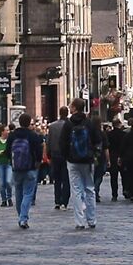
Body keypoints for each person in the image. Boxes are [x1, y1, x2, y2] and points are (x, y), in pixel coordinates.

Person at [52, 99, 102, 232]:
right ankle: (92, 219)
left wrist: (67, 156)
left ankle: (80, 221)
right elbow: (98, 140)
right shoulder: (89, 123)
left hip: (73, 161)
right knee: (90, 189)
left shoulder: (68, 124)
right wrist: (94, 155)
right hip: (87, 160)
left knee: (76, 190)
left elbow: (62, 143)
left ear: (74, 108)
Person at [6, 113, 45, 229]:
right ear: (29, 123)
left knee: (18, 192)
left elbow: (8, 150)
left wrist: (11, 162)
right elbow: (38, 151)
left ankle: (20, 216)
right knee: (28, 194)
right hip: (30, 168)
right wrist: (38, 162)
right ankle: (23, 218)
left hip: (16, 168)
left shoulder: (12, 135)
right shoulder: (33, 135)